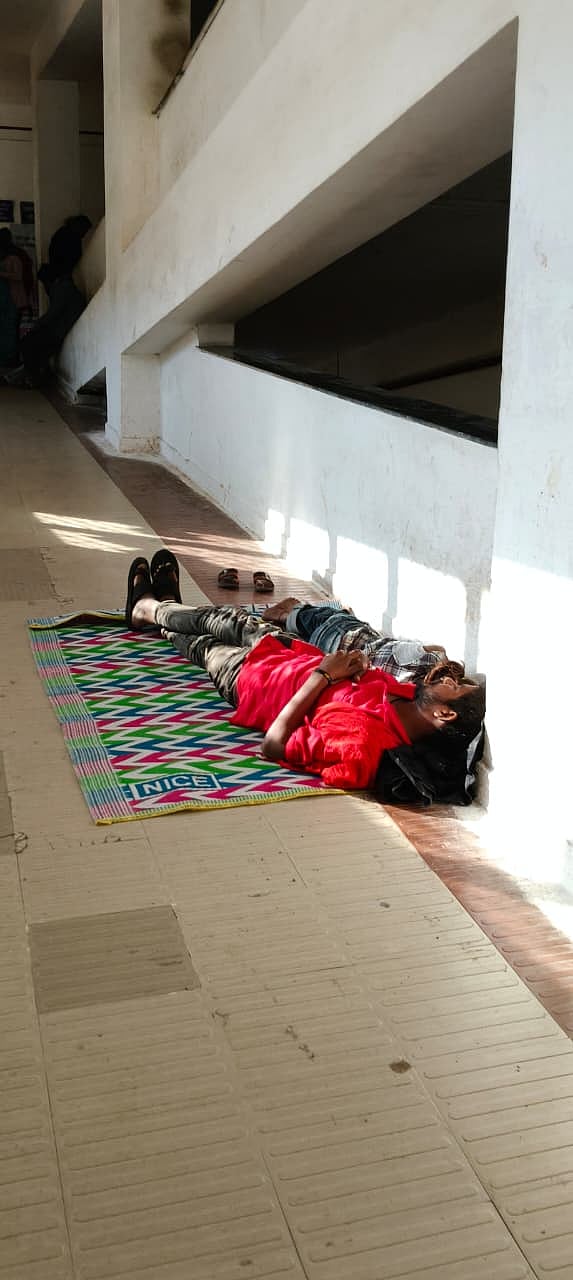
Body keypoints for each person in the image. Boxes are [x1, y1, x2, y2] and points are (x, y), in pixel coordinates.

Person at [125, 552, 485, 791]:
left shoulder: (364, 745)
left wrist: (323, 677)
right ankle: (157, 606)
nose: (449, 679)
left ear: (445, 712)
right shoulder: (404, 694)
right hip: (288, 651)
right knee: (220, 618)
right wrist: (354, 665)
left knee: (203, 647)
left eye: (456, 687)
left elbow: (274, 744)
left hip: (253, 682)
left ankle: (155, 611)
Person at [0, 229, 27, 368]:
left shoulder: (14, 257)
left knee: (11, 332)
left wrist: (2, 274)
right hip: (5, 301)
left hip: (13, 300)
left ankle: (11, 361)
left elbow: (18, 276)